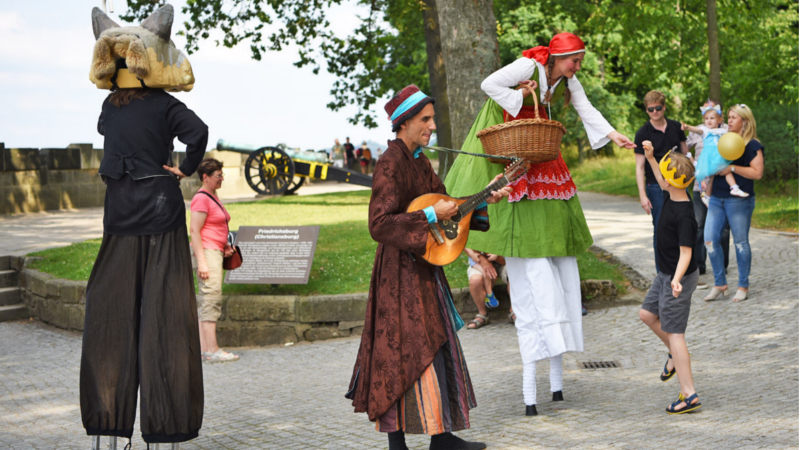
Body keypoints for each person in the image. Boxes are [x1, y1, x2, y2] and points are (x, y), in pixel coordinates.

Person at [444, 32, 636, 417]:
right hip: (508, 137)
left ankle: (555, 376)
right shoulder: (530, 64)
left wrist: (614, 135)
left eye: (579, 61)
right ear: (557, 57)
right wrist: (519, 98)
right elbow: (488, 84)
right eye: (573, 61)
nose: (577, 68)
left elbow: (585, 108)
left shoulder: (567, 79)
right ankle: (536, 377)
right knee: (503, 211)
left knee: (554, 258)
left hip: (537, 144)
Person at [345, 85, 512, 450]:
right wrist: (430, 214)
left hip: (424, 270)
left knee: (434, 344)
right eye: (425, 119)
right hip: (397, 275)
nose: (432, 126)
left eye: (432, 119)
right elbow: (379, 224)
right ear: (403, 123)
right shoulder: (390, 162)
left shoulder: (420, 160)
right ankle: (397, 445)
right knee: (400, 350)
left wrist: (486, 196)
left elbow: (449, 209)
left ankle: (442, 437)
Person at [81, 5, 205, 445]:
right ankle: (165, 429)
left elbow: (106, 128)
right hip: (160, 217)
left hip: (120, 218)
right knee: (165, 323)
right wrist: (186, 167)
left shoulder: (109, 109)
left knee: (110, 320)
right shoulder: (166, 106)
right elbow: (199, 131)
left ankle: (107, 431)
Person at [638, 143, 702, 415]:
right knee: (647, 314)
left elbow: (686, 253)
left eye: (662, 175)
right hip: (664, 273)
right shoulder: (671, 194)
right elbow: (662, 175)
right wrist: (652, 158)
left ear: (669, 182)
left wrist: (676, 280)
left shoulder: (685, 214)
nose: (658, 179)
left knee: (676, 333)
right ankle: (674, 357)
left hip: (679, 278)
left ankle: (689, 394)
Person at [703, 104, 763, 302]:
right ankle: (720, 283)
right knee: (710, 239)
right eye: (728, 117)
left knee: (740, 243)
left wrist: (733, 169)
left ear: (744, 122)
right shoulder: (721, 140)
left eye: (734, 117)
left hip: (739, 200)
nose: (729, 121)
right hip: (717, 198)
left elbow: (758, 173)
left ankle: (743, 285)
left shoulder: (752, 145)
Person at [190, 159, 239, 363]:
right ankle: (212, 349)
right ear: (206, 177)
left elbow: (216, 225)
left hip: (216, 250)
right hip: (207, 252)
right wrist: (202, 262)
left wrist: (225, 245)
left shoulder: (212, 196)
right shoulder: (201, 198)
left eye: (222, 175)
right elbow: (194, 230)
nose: (221, 179)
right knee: (211, 297)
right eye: (218, 176)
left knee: (208, 298)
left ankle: (205, 349)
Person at [634, 90, 689, 273]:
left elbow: (685, 155)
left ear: (664, 107)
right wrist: (642, 196)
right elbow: (640, 167)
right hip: (656, 186)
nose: (655, 112)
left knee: (685, 226)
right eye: (651, 109)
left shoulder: (675, 127)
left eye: (658, 108)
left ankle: (686, 271)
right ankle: (663, 274)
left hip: (679, 183)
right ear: (647, 110)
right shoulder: (642, 133)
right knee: (661, 229)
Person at [684, 100, 730, 281]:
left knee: (723, 229)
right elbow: (684, 148)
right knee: (699, 225)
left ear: (720, 116)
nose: (709, 118)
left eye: (713, 114)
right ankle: (700, 265)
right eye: (706, 115)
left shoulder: (727, 131)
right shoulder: (698, 131)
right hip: (699, 186)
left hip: (721, 186)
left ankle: (723, 264)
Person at [683, 106, 749, 199]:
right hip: (710, 155)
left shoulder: (723, 130)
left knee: (722, 172)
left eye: (712, 118)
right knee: (709, 174)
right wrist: (688, 127)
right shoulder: (705, 130)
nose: (709, 121)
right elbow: (697, 130)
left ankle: (730, 189)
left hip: (719, 153)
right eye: (706, 118)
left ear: (719, 120)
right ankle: (728, 189)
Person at [464, 248, 507, 329]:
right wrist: (474, 255)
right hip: (478, 261)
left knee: (516, 274)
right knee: (483, 275)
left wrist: (497, 255)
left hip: (501, 259)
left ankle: (515, 312)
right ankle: (483, 311)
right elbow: (464, 244)